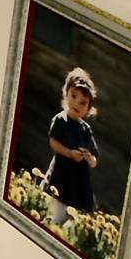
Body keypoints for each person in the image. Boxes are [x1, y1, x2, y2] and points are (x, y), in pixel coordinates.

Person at [45, 67, 105, 237]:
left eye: (83, 102)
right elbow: (53, 142)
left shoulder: (86, 130)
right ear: (66, 94)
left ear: (89, 108)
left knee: (72, 222)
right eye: (73, 96)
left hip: (79, 182)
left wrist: (90, 159)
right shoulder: (61, 120)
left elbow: (94, 158)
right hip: (61, 175)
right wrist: (69, 153)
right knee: (56, 213)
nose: (76, 103)